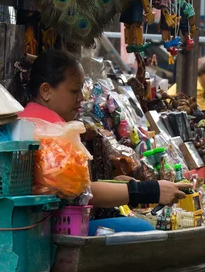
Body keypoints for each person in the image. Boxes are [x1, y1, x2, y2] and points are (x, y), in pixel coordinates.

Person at [17, 50, 189, 235]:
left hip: (46, 226)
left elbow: (76, 187)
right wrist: (149, 191)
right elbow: (81, 194)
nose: (81, 98)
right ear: (46, 91)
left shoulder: (28, 120)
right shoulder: (49, 133)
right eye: (74, 91)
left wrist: (116, 185)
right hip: (48, 231)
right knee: (143, 229)